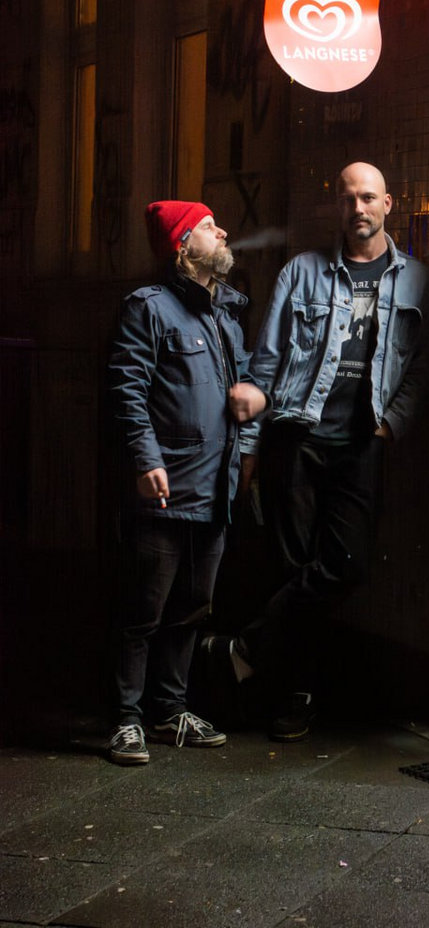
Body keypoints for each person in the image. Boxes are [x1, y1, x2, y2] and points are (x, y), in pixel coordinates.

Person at [204, 162, 429, 741]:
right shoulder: (302, 272)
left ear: (389, 203)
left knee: (345, 565)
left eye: (368, 197)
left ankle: (245, 648)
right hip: (297, 437)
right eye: (348, 198)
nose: (358, 208)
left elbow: (421, 368)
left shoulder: (420, 281)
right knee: (293, 568)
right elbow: (266, 362)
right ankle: (298, 695)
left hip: (363, 443)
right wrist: (251, 447)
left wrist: (389, 428)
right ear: (337, 205)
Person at [106, 200, 266, 765]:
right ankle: (125, 720)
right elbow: (127, 389)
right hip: (166, 489)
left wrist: (254, 413)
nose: (221, 231)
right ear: (182, 245)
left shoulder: (226, 317)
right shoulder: (149, 309)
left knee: (193, 609)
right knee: (143, 611)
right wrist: (145, 459)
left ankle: (169, 711)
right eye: (206, 226)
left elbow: (247, 389)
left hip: (215, 492)